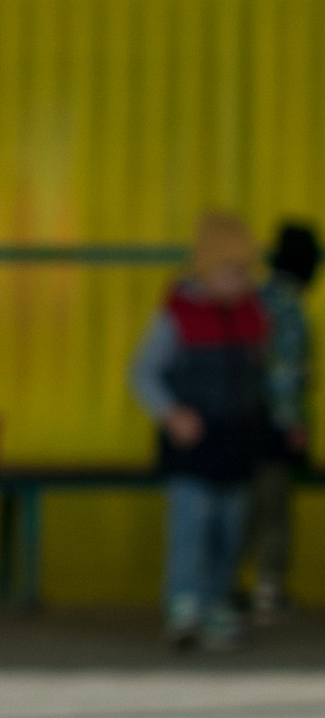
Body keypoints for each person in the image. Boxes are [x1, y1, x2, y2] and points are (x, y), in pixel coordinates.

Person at [130, 212, 272, 651]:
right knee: (192, 524)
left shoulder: (253, 316)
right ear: (205, 271)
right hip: (193, 445)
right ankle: (184, 604)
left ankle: (216, 603)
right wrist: (170, 413)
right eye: (230, 271)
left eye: (244, 272)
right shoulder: (177, 317)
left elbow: (261, 377)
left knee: (230, 528)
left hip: (236, 441)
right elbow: (142, 373)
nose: (239, 281)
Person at [246, 218, 316, 622]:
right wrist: (292, 423)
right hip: (272, 423)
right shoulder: (288, 306)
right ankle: (268, 590)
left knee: (248, 505)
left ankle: (227, 586)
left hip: (244, 419)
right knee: (274, 509)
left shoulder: (257, 296)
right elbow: (284, 373)